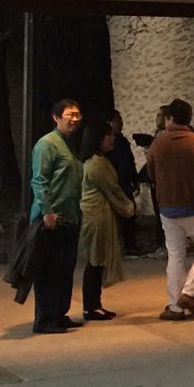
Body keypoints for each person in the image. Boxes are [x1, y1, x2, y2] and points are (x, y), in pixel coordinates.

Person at [146, 97, 194, 320]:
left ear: (169, 119)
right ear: (189, 119)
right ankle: (189, 293)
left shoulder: (158, 144)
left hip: (168, 208)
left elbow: (151, 174)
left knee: (175, 254)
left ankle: (175, 306)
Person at [29, 99, 85, 335]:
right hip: (52, 219)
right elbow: (38, 180)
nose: (74, 119)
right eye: (69, 114)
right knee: (49, 271)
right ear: (56, 117)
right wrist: (47, 211)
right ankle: (44, 319)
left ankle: (59, 314)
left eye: (78, 114)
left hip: (70, 217)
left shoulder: (68, 144)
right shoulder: (47, 144)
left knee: (64, 270)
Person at [78, 119, 135, 321]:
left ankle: (95, 304)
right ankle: (91, 306)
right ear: (99, 138)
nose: (112, 138)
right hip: (96, 216)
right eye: (108, 135)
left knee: (97, 260)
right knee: (95, 260)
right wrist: (129, 207)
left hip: (97, 214)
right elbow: (113, 190)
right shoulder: (97, 164)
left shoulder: (95, 161)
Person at [106, 110, 140, 256]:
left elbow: (130, 161)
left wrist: (135, 180)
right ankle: (118, 247)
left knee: (130, 213)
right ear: (110, 122)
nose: (121, 122)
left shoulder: (122, 140)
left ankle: (130, 245)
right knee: (118, 216)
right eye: (117, 120)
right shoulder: (106, 141)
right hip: (115, 183)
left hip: (126, 183)